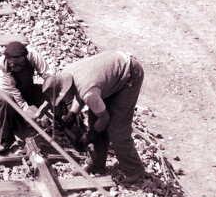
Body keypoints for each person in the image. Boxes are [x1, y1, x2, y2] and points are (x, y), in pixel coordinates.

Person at [43, 50, 146, 179]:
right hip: (108, 76)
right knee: (94, 122)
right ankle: (96, 164)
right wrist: (72, 114)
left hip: (129, 74)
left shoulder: (88, 91)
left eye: (62, 98)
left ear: (65, 89)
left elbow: (104, 117)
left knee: (117, 129)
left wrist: (89, 136)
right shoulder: (67, 75)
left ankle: (135, 171)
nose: (64, 101)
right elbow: (80, 94)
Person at [0, 40, 50, 152]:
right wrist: (36, 117)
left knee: (51, 92)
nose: (16, 67)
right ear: (8, 59)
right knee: (6, 100)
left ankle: (65, 122)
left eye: (20, 64)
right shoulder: (0, 71)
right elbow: (19, 101)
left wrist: (51, 99)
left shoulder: (32, 55)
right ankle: (2, 139)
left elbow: (49, 75)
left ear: (25, 57)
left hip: (23, 88)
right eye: (13, 64)